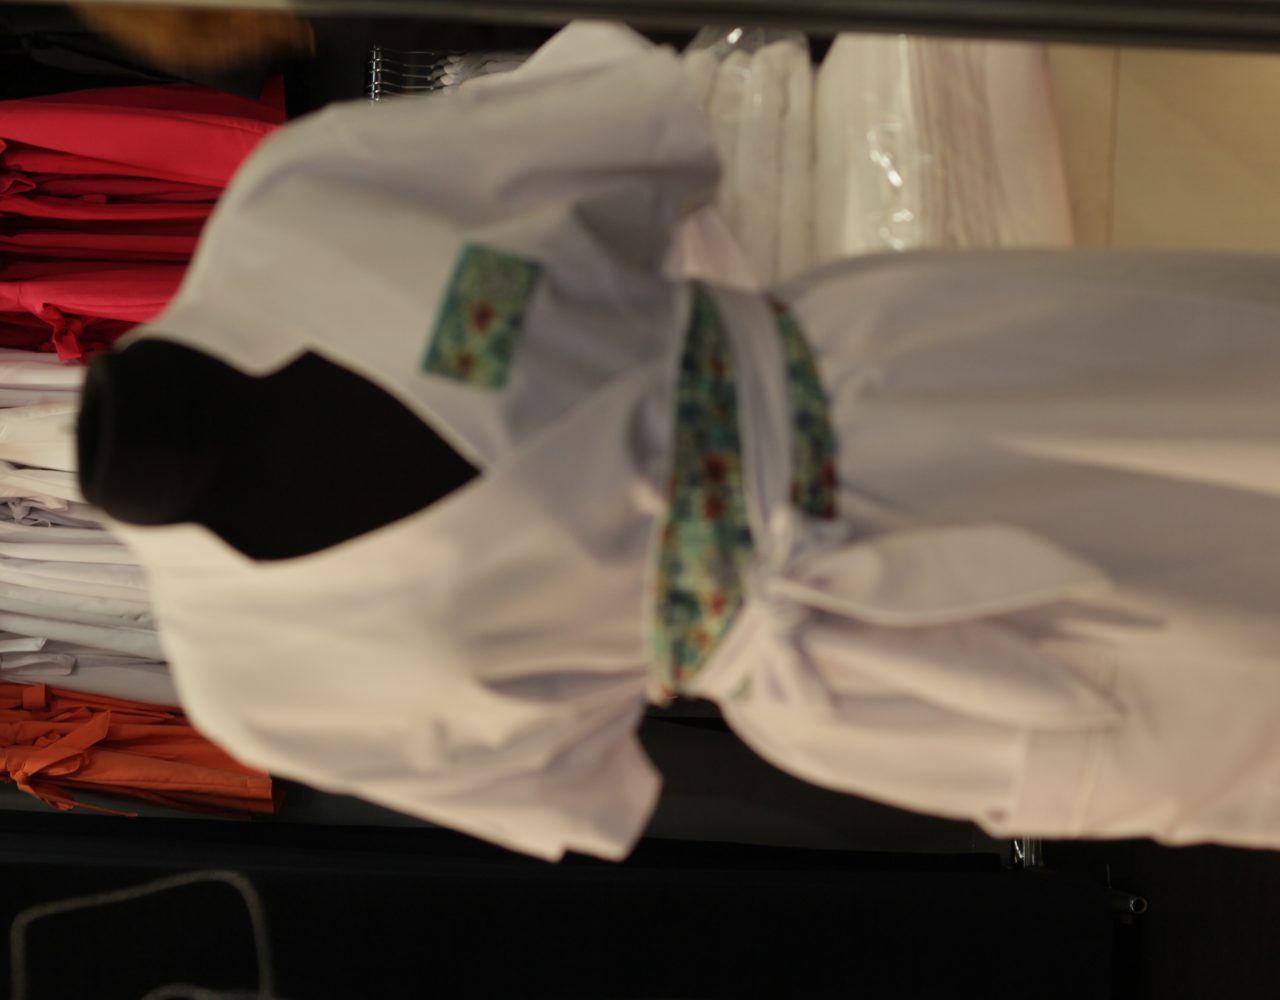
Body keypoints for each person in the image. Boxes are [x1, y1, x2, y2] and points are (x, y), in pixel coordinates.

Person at [78, 23, 1280, 860]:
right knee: (1225, 710)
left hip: (910, 380)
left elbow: (634, 130)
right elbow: (565, 775)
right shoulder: (256, 683)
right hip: (866, 667)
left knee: (1228, 411)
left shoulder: (304, 205)